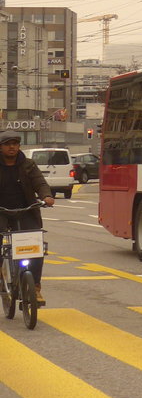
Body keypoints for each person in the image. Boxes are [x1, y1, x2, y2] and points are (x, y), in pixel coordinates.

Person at [0, 126, 54, 303]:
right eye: (7, 144)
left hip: (26, 210)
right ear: (1, 147)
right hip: (1, 212)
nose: (12, 147)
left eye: (15, 143)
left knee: (36, 246)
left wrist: (46, 196)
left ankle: (35, 287)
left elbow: (40, 182)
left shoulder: (28, 164)